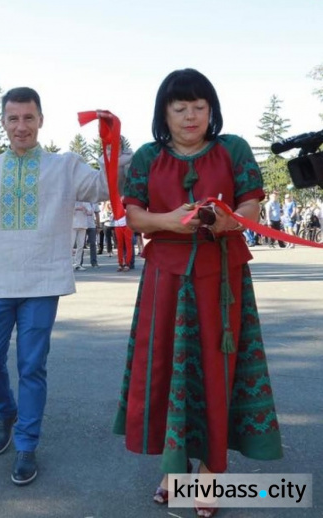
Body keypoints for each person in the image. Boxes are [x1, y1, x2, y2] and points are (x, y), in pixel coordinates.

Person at [112, 69, 282, 517]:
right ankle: (174, 469)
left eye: (200, 107)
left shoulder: (234, 149)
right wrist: (173, 220)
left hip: (221, 278)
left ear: (213, 110)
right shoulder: (148, 157)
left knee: (216, 367)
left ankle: (210, 473)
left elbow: (250, 203)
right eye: (180, 107)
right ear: (163, 113)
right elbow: (135, 217)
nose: (191, 116)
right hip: (165, 279)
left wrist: (230, 219)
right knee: (167, 369)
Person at [0, 87, 119, 486]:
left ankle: (27, 445)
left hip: (42, 279)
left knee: (32, 365)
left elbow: (105, 187)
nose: (21, 126)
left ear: (41, 120)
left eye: (28, 118)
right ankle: (5, 411)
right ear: (3, 122)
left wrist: (111, 144)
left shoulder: (65, 166)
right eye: (13, 119)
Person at [71, 202, 88, 270]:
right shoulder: (72, 200)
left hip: (83, 225)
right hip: (73, 225)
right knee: (70, 245)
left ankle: (77, 264)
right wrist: (77, 208)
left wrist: (85, 209)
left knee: (80, 246)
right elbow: (66, 210)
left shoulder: (86, 201)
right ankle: (69, 263)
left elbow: (90, 212)